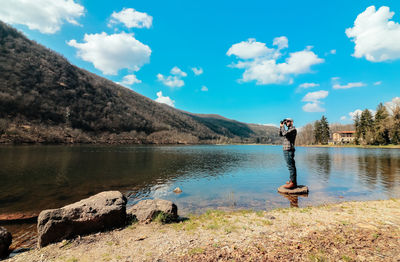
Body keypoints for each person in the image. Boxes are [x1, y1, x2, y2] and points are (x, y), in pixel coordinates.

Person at [279, 118, 297, 189]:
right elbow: (281, 134)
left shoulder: (293, 129)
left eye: (288, 121)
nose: (286, 122)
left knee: (291, 166)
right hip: (286, 149)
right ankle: (292, 181)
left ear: (292, 122)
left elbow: (284, 133)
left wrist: (283, 127)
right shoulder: (288, 129)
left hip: (289, 150)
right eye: (285, 121)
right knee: (290, 166)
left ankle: (293, 183)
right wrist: (281, 126)